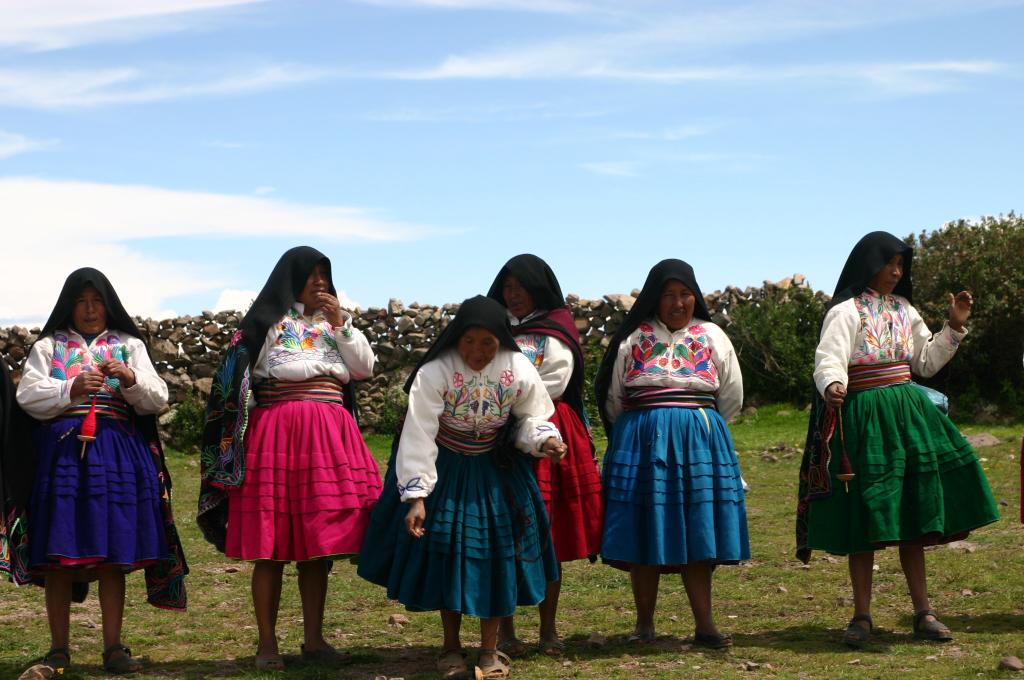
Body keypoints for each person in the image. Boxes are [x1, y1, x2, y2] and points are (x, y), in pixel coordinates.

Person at [796, 231, 999, 647]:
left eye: (901, 265)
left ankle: (924, 612)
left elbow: (924, 362)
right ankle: (862, 616)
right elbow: (828, 358)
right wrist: (833, 383)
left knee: (911, 512)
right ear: (868, 264)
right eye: (889, 263)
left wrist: (954, 327)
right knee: (865, 514)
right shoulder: (845, 311)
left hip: (908, 413)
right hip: (865, 415)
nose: (895, 272)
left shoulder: (905, 309)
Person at [358, 295, 565, 680]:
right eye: (469, 341)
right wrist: (417, 496)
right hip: (447, 466)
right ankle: (450, 648)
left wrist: (543, 440)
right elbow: (419, 433)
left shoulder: (517, 367)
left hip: (497, 470)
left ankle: (489, 651)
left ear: (500, 340)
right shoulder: (436, 371)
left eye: (488, 342)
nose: (478, 351)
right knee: (449, 553)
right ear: (456, 339)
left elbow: (532, 415)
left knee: (497, 555)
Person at [198, 246, 381, 670]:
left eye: (324, 275)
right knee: (272, 545)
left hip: (331, 437)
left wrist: (341, 326)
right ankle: (267, 645)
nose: (320, 282)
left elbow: (365, 368)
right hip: (279, 434)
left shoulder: (336, 325)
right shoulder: (267, 322)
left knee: (319, 545)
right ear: (290, 278)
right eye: (310, 274)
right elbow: (244, 372)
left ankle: (314, 640)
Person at [14, 268, 188, 675]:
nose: (91, 310)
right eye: (82, 302)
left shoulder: (129, 345)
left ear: (109, 305)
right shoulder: (49, 346)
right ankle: (58, 649)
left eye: (97, 302)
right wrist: (69, 389)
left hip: (117, 453)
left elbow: (157, 398)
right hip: (61, 454)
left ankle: (114, 647)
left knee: (114, 552)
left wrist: (129, 378)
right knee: (59, 553)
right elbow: (27, 396)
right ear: (69, 306)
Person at [594, 259, 748, 649]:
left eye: (685, 295)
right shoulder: (634, 338)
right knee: (645, 528)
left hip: (699, 440)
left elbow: (730, 395)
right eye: (668, 295)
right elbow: (614, 397)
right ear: (654, 299)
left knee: (699, 529)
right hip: (642, 440)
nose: (678, 303)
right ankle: (644, 625)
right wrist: (642, 426)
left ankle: (706, 625)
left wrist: (696, 424)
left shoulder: (712, 335)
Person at [485, 254, 602, 657]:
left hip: (549, 429)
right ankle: (505, 632)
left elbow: (553, 380)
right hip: (497, 437)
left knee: (548, 534)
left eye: (521, 286)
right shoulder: (493, 328)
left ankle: (548, 629)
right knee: (505, 533)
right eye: (508, 286)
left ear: (539, 287)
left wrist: (504, 405)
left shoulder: (555, 329)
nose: (513, 294)